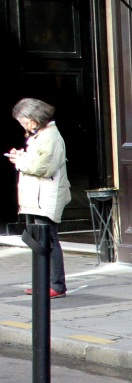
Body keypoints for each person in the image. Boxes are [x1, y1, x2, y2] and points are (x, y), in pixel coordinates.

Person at [5, 98, 71, 298]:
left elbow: (43, 167)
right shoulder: (42, 136)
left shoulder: (50, 136)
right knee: (41, 241)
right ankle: (44, 283)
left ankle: (56, 285)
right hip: (38, 197)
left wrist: (20, 161)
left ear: (35, 117)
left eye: (25, 121)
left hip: (45, 198)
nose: (24, 125)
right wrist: (23, 156)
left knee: (49, 240)